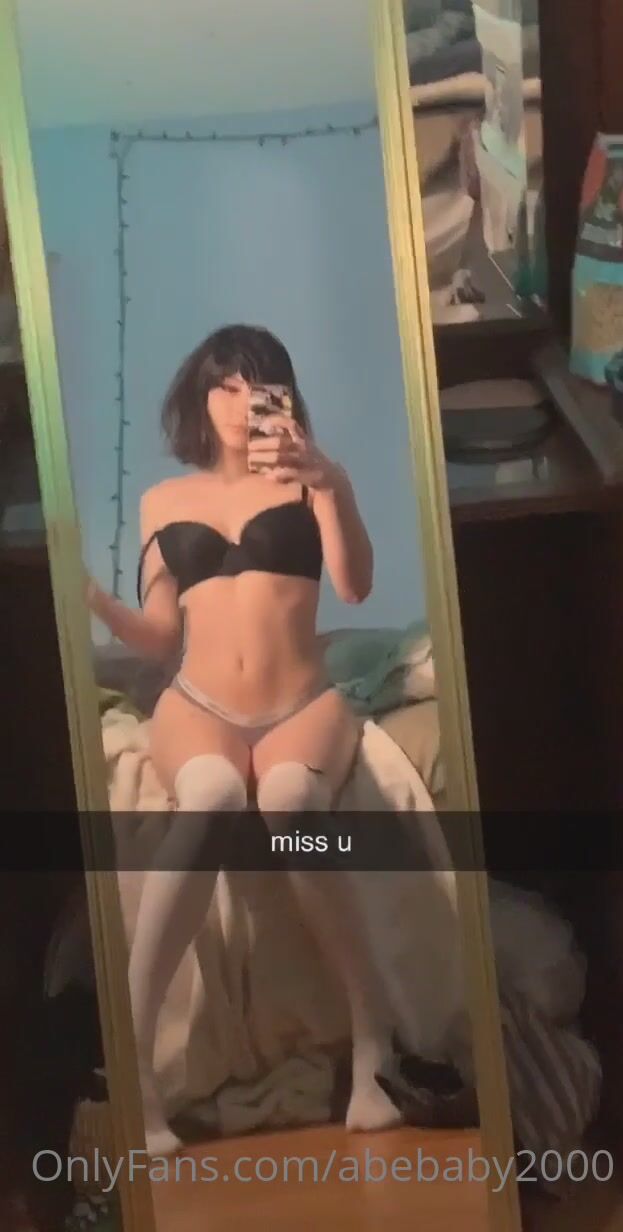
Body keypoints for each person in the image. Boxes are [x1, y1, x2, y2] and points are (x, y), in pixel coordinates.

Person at [86, 323, 403, 1155]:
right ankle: (134, 1067)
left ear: (284, 398)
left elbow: (355, 587)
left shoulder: (309, 481)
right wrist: (93, 599)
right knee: (213, 796)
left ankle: (373, 1043)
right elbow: (159, 637)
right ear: (200, 397)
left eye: (257, 385)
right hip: (198, 704)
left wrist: (331, 482)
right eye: (224, 386)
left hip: (300, 703)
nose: (239, 403)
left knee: (292, 801)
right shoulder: (163, 503)